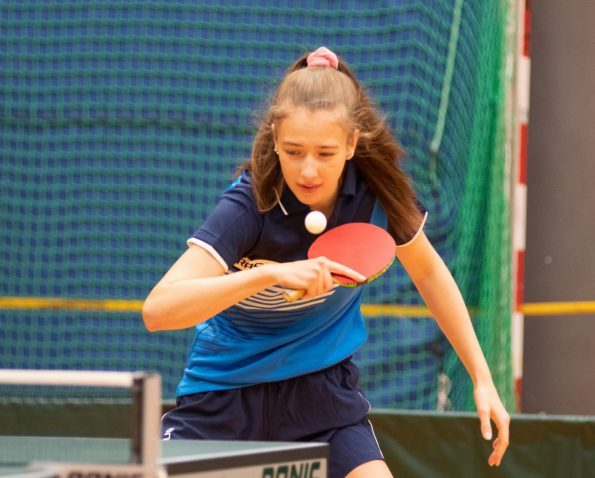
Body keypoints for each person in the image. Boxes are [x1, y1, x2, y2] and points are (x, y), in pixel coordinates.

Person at [142, 46, 510, 477]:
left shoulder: (377, 199)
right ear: (275, 138)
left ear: (352, 144)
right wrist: (269, 275)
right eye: (294, 151)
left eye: (325, 153)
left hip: (322, 398)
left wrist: (481, 377)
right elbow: (158, 310)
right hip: (225, 397)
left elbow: (428, 272)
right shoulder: (250, 205)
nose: (308, 171)